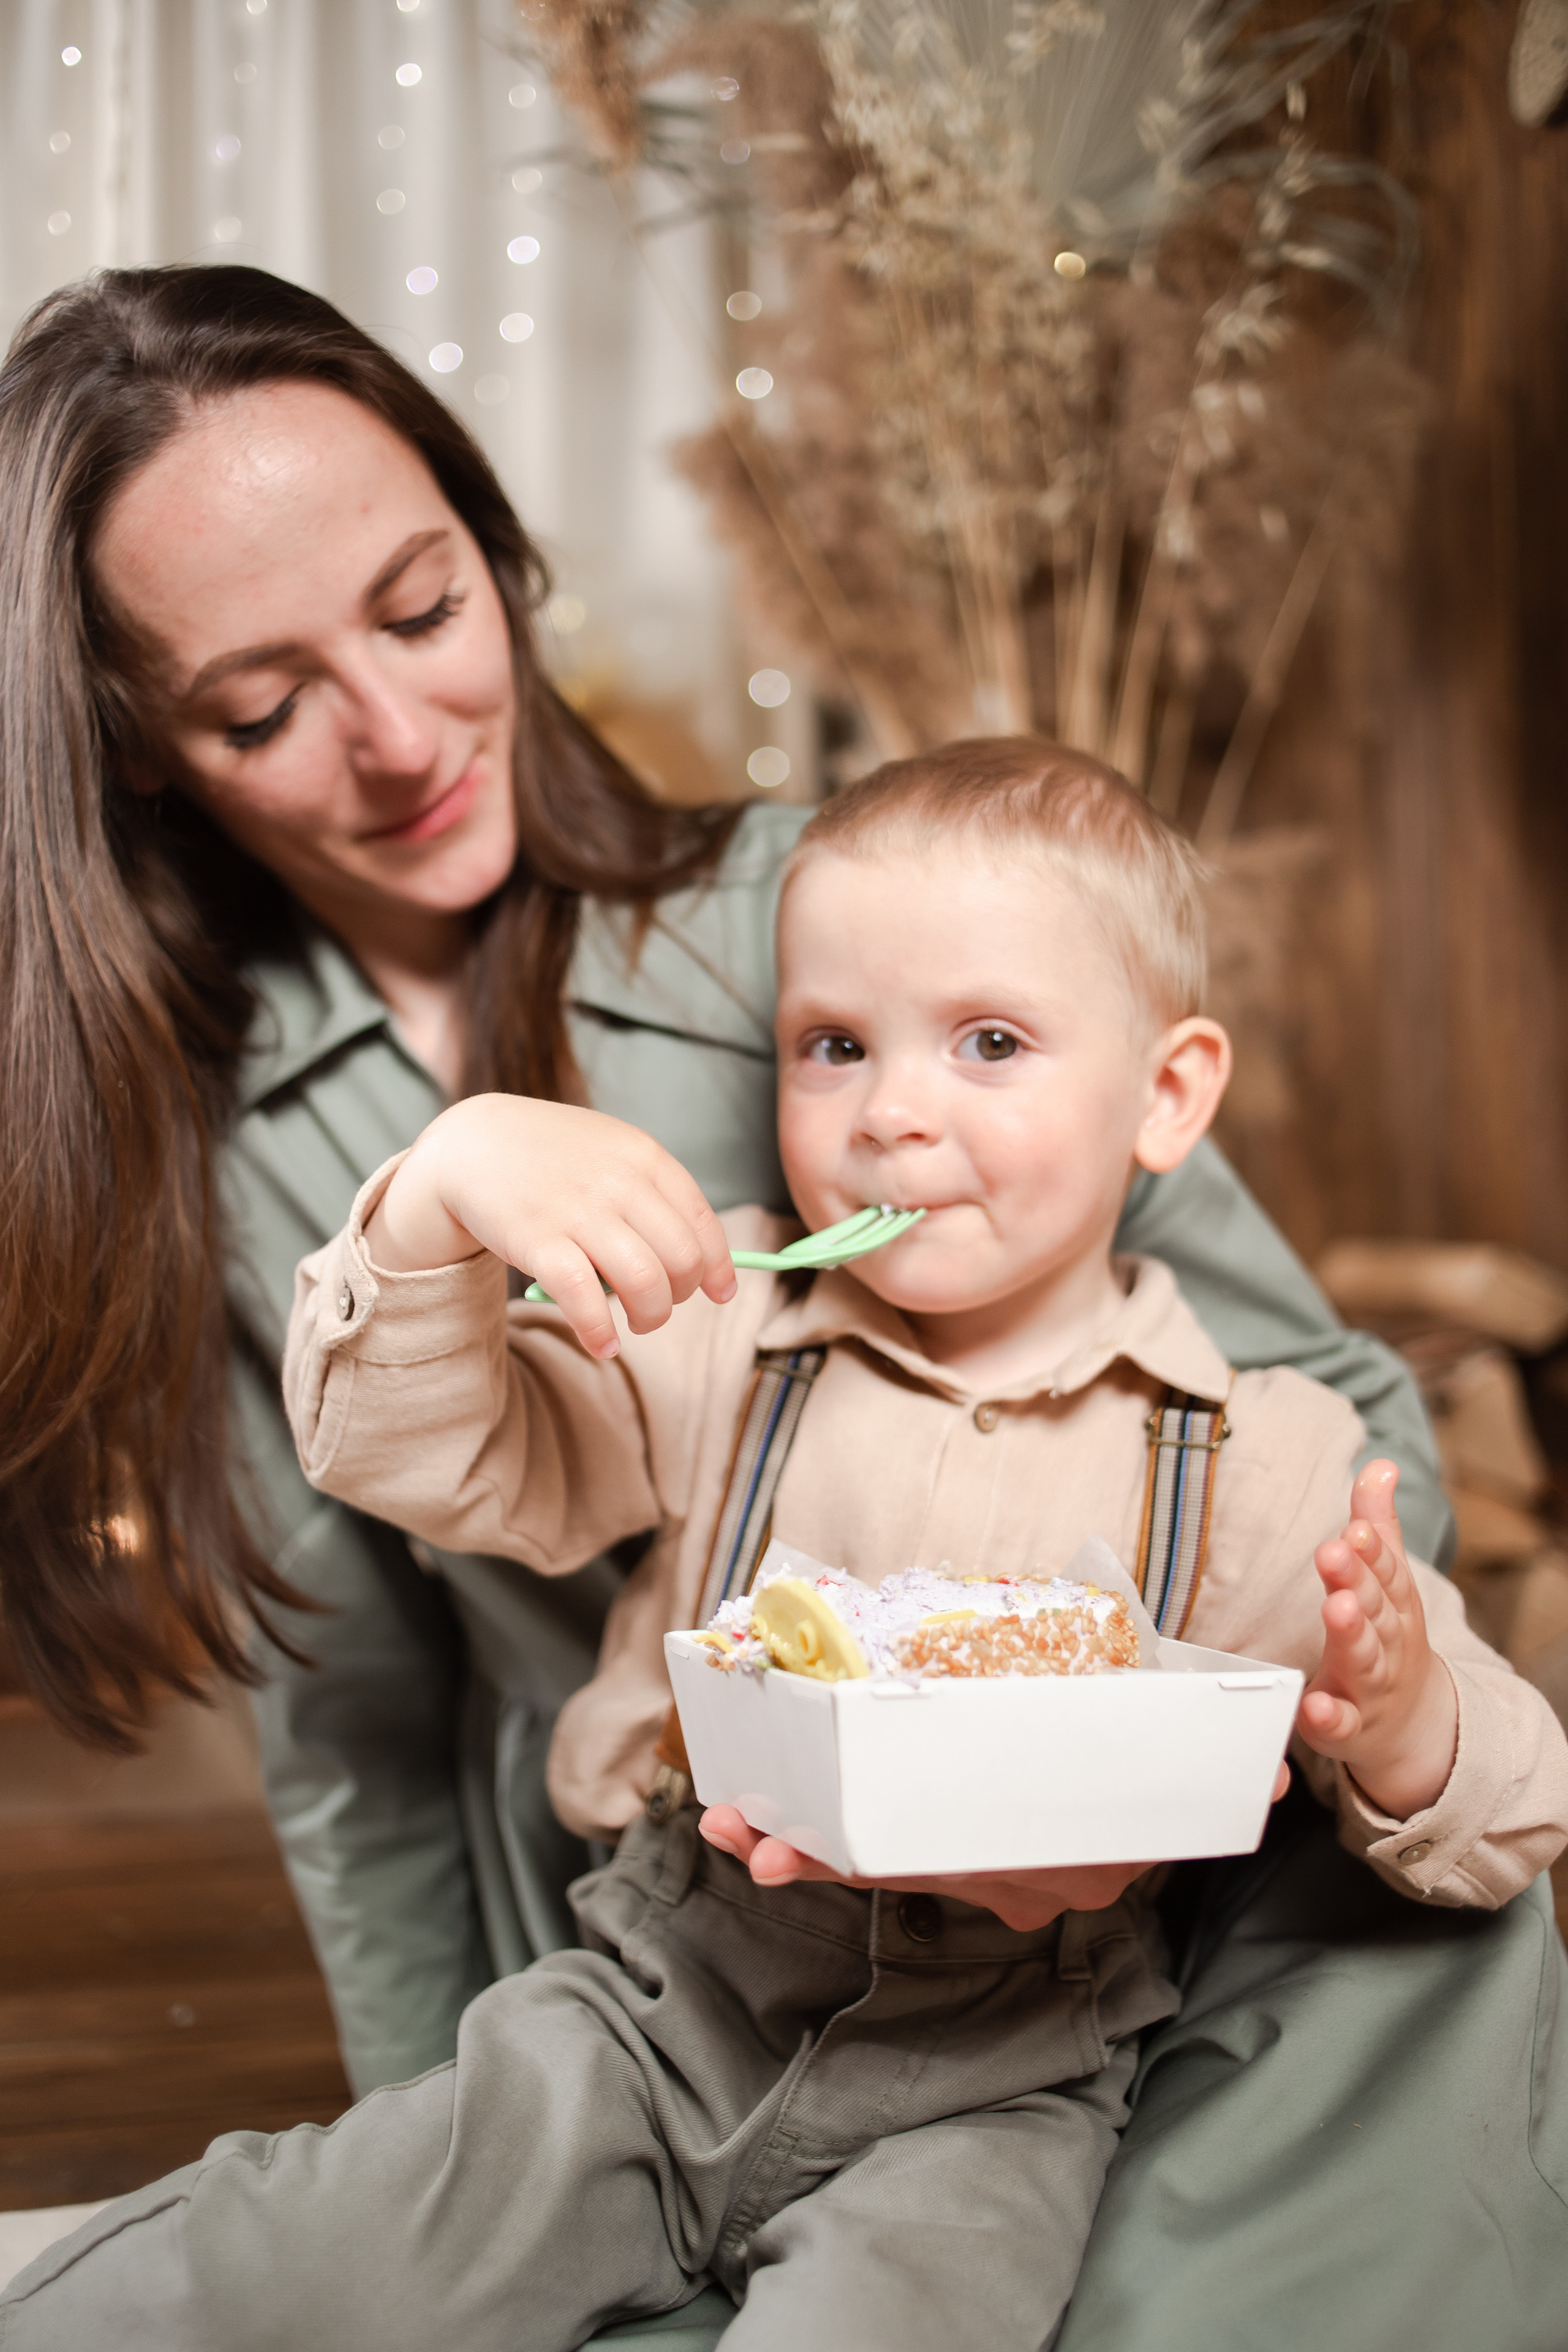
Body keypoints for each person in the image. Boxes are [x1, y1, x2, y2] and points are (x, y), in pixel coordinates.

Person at [0, 266, 1557, 2352]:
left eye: (425, 609)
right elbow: (357, 1705)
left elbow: (1317, 1438)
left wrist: (1152, 1774)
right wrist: (442, 1204)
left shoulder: (843, 914)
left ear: (501, 554)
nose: (391, 743)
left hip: (1099, 1941)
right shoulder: (221, 1127)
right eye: (261, 710)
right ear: (144, 748)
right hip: (665, 1938)